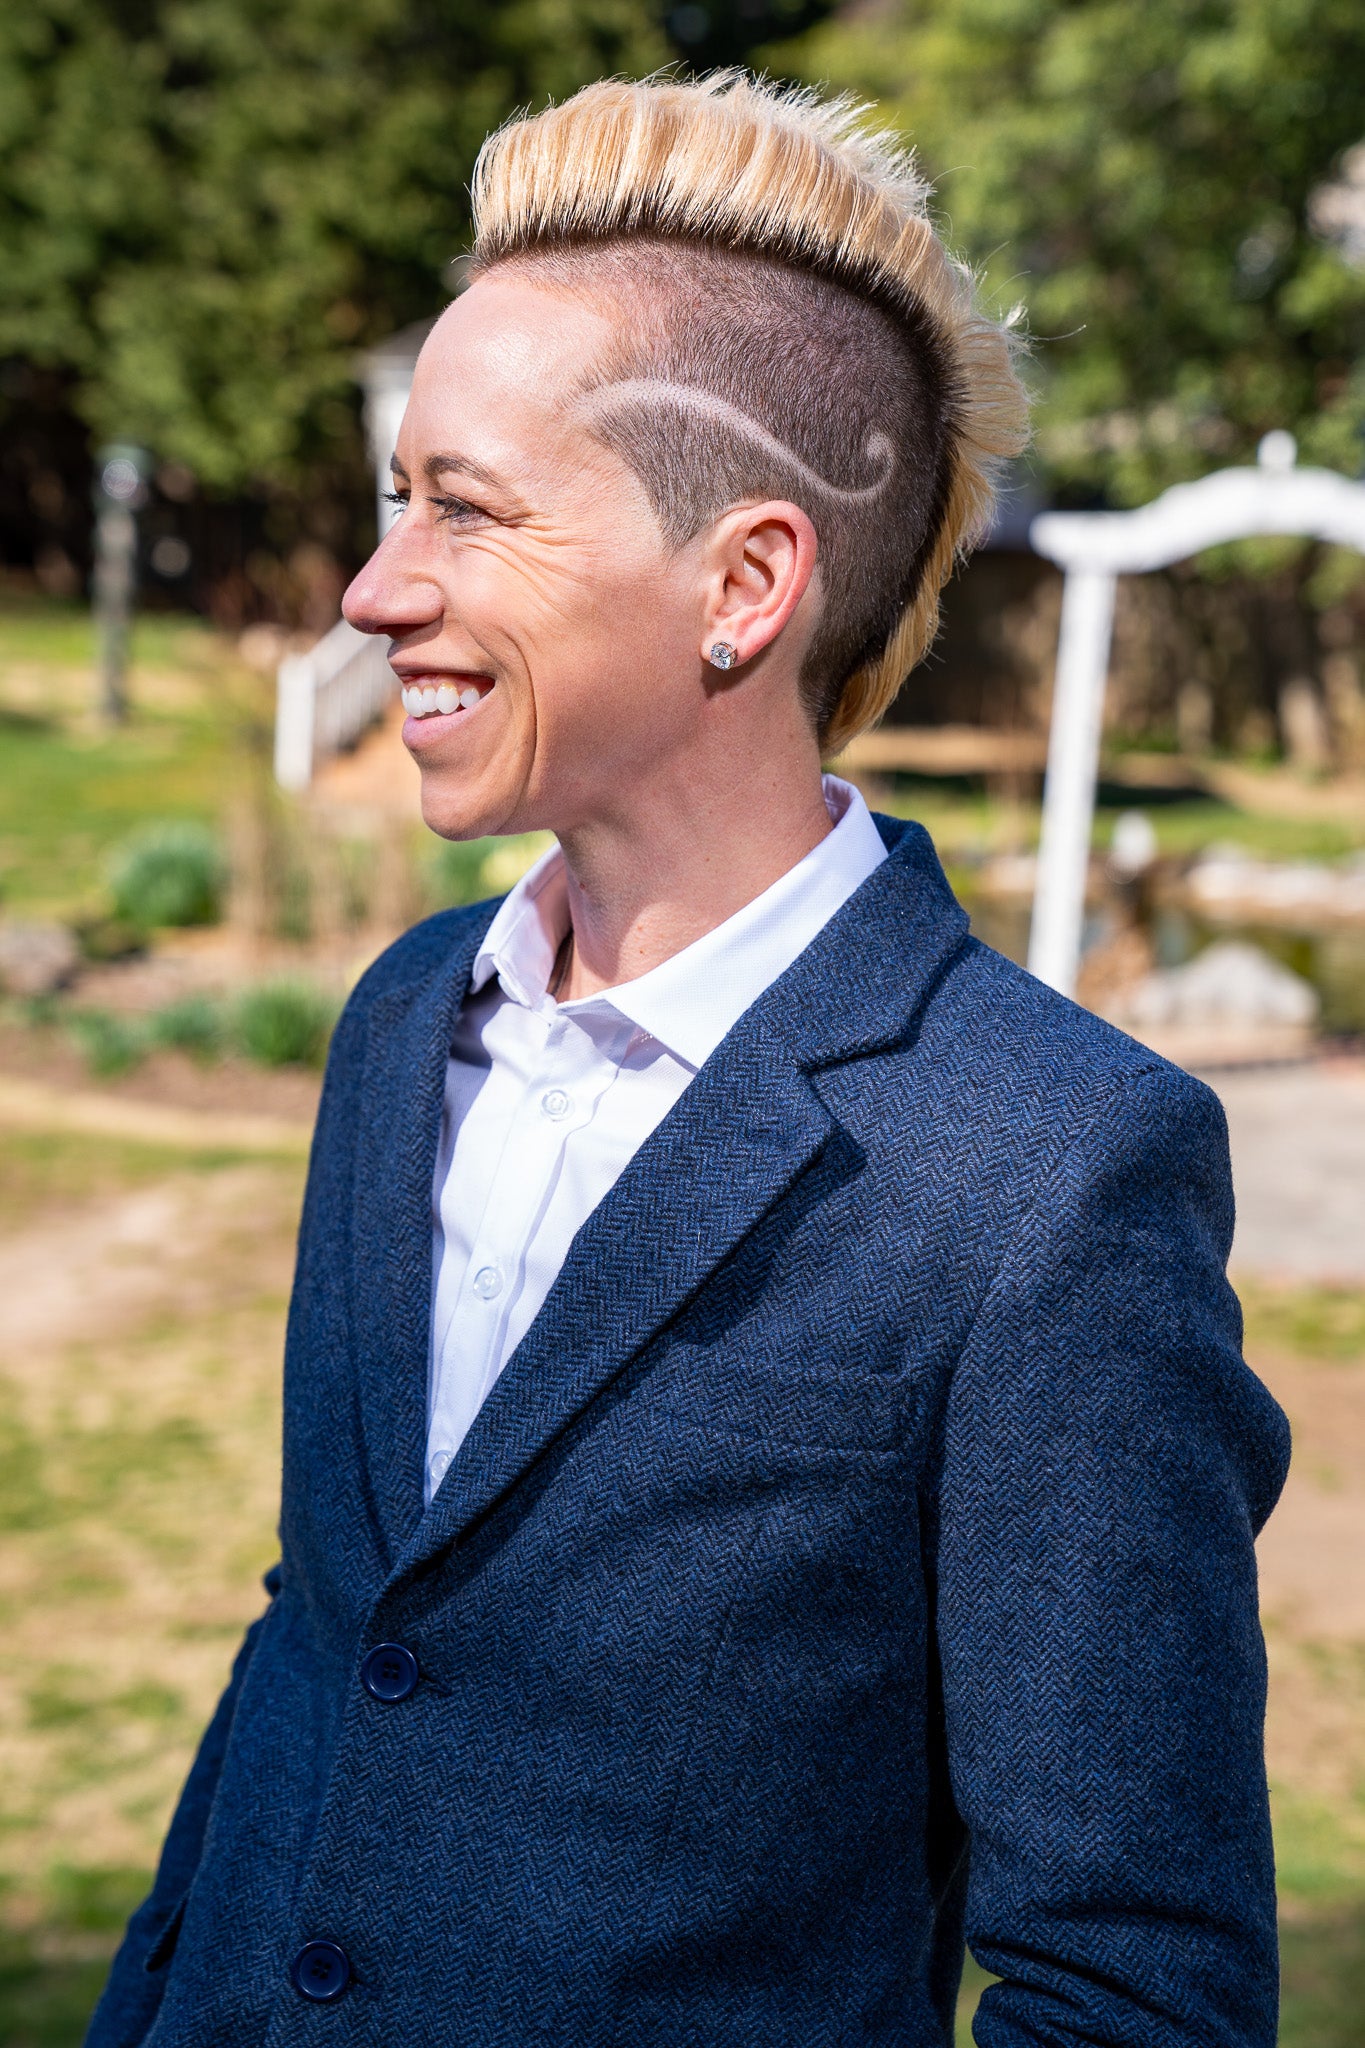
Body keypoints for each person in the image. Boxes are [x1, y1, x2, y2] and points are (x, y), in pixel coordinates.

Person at [87, 72, 1289, 2048]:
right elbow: (328, 1645)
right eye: (398, 501)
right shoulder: (404, 1022)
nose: (378, 589)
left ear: (742, 584)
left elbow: (1130, 1994)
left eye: (465, 509)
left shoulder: (1049, 1171)